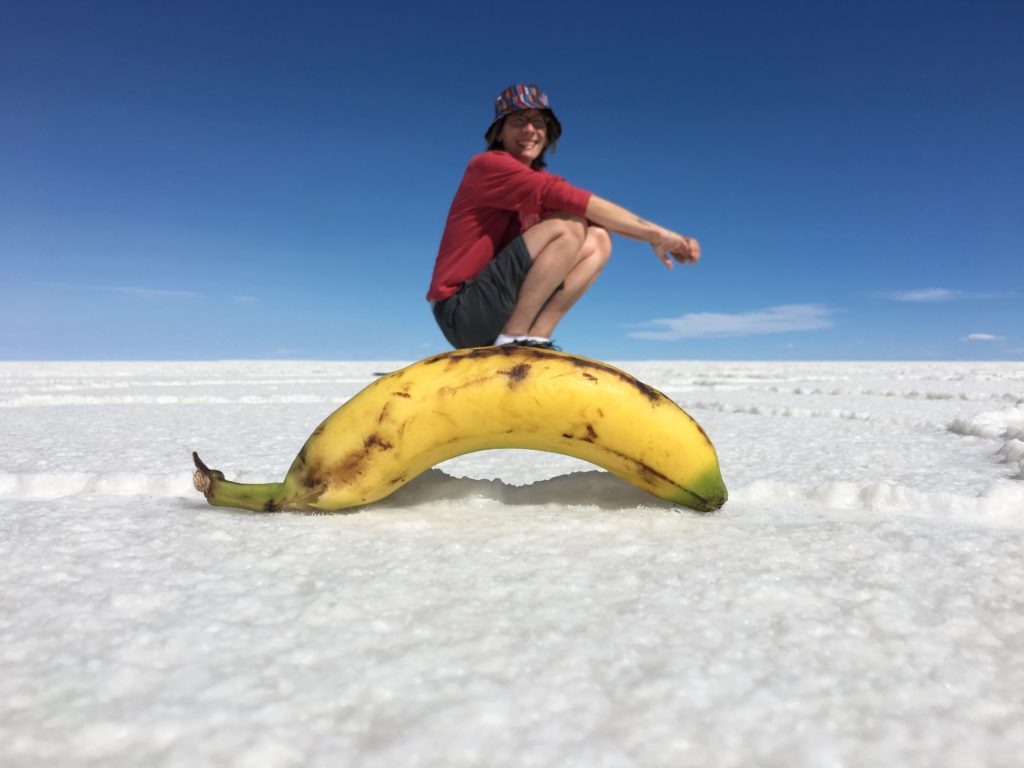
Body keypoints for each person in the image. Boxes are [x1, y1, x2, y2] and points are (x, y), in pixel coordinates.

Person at [427, 83, 701, 351]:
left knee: (598, 239)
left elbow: (600, 218)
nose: (530, 130)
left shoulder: (536, 181)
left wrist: (657, 240)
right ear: (499, 133)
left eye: (538, 122)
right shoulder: (489, 166)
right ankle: (513, 340)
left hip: (495, 307)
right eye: (518, 121)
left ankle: (536, 340)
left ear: (547, 134)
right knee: (569, 225)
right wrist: (661, 235)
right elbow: (578, 203)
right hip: (461, 311)